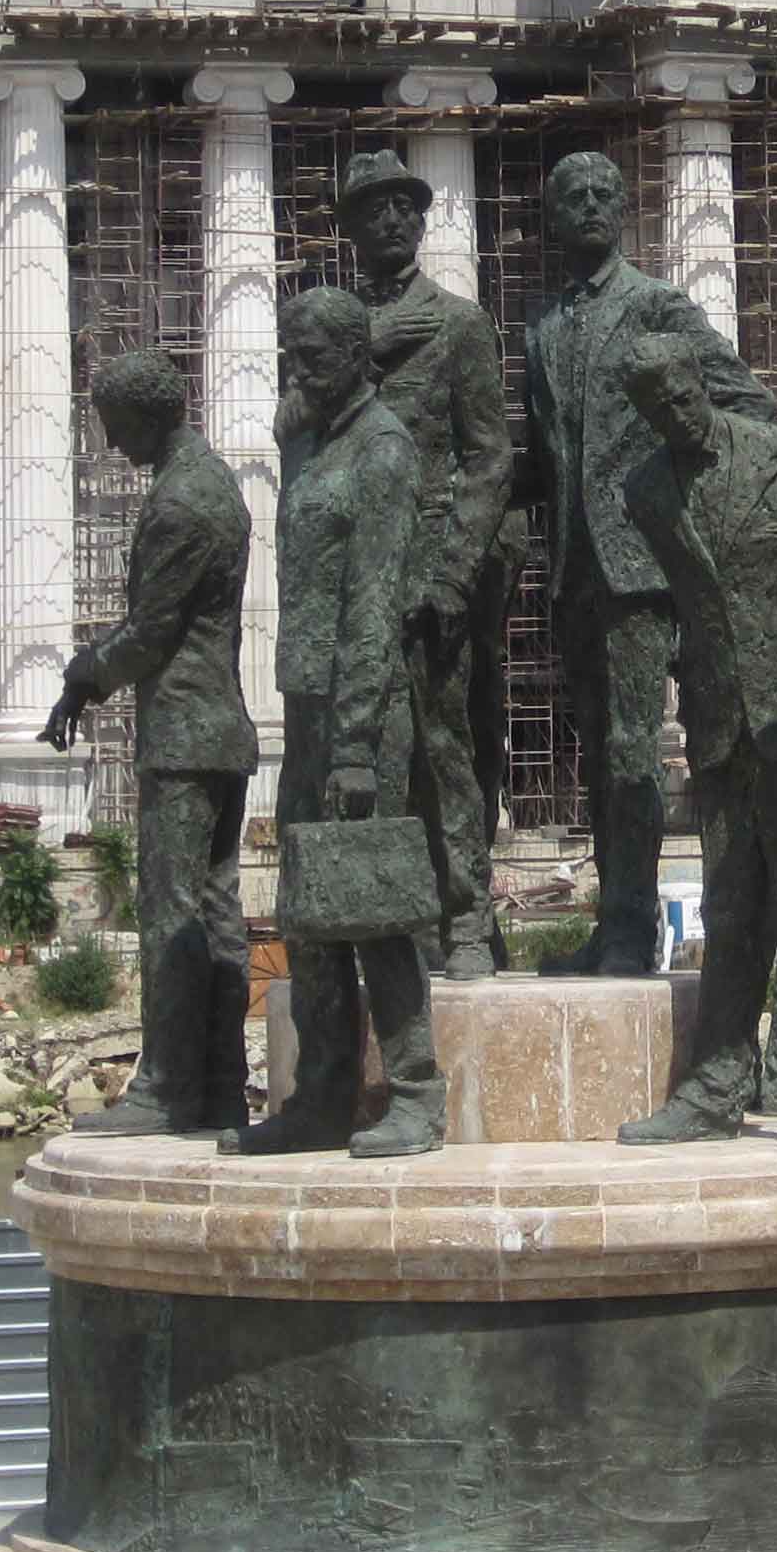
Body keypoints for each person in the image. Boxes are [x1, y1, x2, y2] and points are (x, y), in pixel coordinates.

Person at [608, 336, 777, 1148]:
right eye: (656, 410)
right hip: (718, 721)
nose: (674, 416)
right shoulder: (648, 490)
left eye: (681, 398)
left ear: (701, 383)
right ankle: (714, 1089)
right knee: (730, 905)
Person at [516, 151, 771, 975]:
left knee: (633, 746)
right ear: (553, 218)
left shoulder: (657, 305)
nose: (589, 207)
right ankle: (614, 920)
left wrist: (690, 503)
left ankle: (631, 932)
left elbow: (744, 404)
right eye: (572, 197)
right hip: (575, 568)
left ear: (624, 211)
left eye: (603, 195)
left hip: (643, 566)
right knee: (598, 750)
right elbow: (547, 455)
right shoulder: (543, 327)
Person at [232, 285, 446, 1161]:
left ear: (359, 357)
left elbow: (375, 604)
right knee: (309, 911)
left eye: (313, 356)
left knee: (374, 902)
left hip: (364, 712)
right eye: (290, 355)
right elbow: (292, 414)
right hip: (307, 702)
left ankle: (418, 1092)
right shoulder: (316, 439)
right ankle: (321, 1093)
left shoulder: (384, 450)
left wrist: (357, 743)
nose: (297, 370)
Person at [43, 349, 260, 1138]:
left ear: (145, 416)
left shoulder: (179, 502)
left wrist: (82, 674)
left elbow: (149, 634)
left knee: (173, 913)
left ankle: (167, 1090)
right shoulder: (218, 483)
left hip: (184, 731)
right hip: (221, 728)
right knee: (216, 911)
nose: (110, 445)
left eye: (113, 427)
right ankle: (222, 1086)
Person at [327, 147, 515, 980]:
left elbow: (490, 460)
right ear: (352, 227)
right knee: (362, 748)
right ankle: (390, 926)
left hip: (432, 567)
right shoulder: (333, 332)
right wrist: (364, 345)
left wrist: (454, 570)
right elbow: (294, 424)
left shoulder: (461, 324)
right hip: (352, 569)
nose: (392, 220)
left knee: (446, 748)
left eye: (405, 205)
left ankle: (466, 918)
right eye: (374, 208)